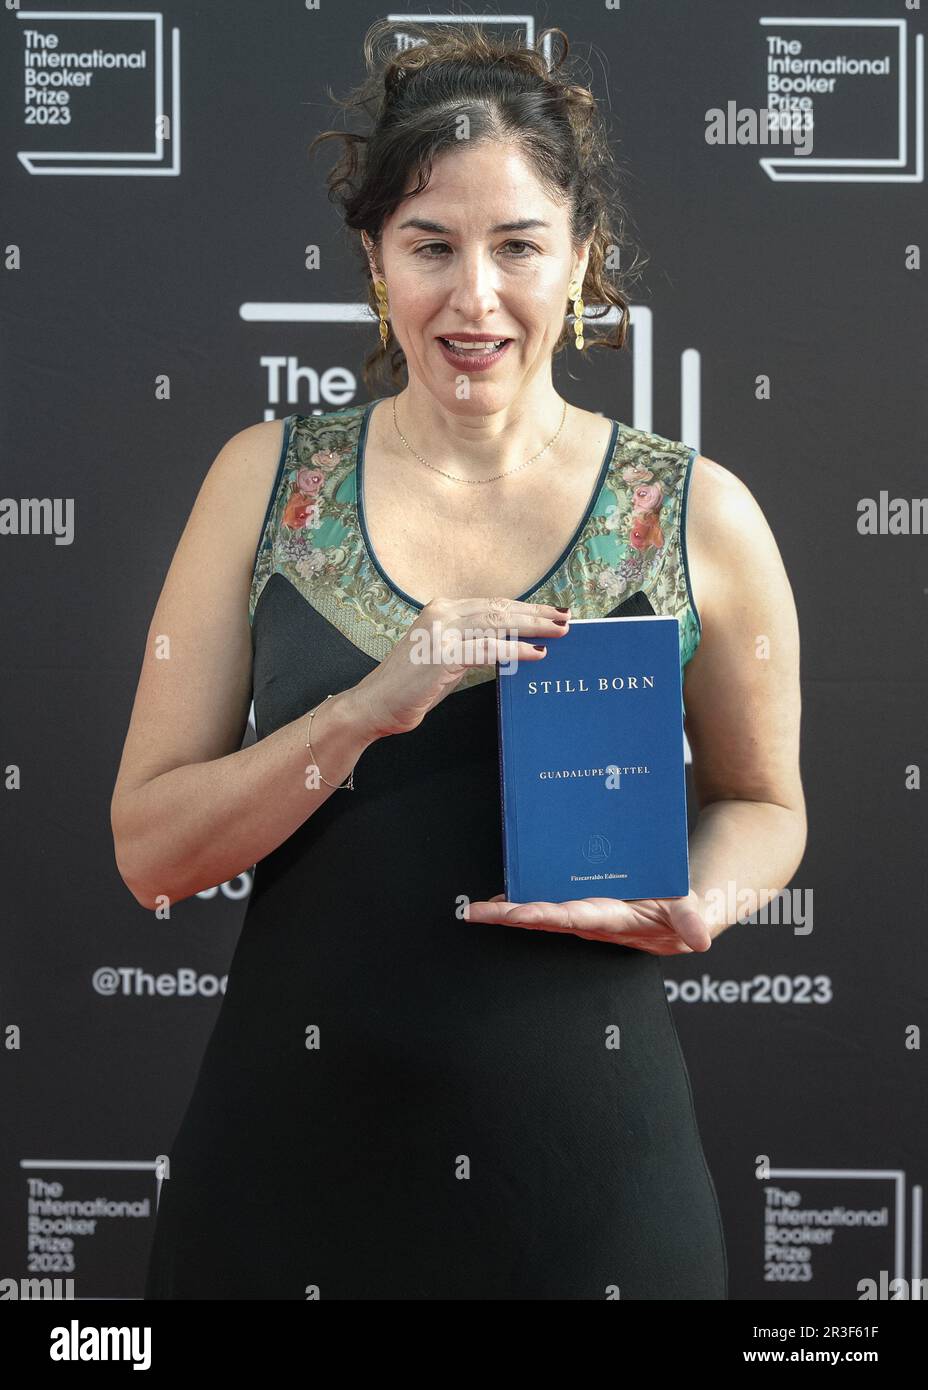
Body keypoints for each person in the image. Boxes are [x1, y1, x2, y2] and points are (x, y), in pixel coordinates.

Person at [112, 21, 805, 1299]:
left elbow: (765, 804)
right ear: (377, 260)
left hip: (594, 1198)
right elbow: (151, 848)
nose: (473, 298)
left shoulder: (693, 510)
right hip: (284, 1187)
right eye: (430, 246)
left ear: (582, 261)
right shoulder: (265, 483)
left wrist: (699, 897)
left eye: (519, 247)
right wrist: (368, 707)